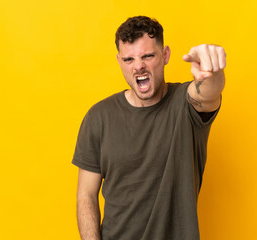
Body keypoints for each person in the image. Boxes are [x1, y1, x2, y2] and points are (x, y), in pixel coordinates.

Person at [72, 16, 226, 240]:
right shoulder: (98, 117)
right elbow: (86, 195)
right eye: (128, 59)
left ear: (165, 56)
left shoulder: (185, 105)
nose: (138, 66)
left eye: (148, 56)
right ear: (119, 61)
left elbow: (208, 92)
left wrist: (213, 71)